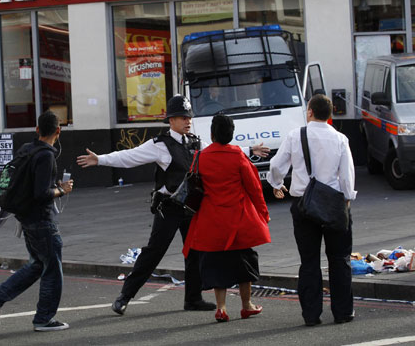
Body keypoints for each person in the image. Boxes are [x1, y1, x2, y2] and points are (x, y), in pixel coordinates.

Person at [76, 95, 269, 316]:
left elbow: (221, 152)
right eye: (181, 117)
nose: (187, 121)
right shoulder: (159, 145)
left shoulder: (196, 142)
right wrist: (100, 159)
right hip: (168, 208)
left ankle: (193, 299)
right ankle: (124, 297)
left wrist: (249, 149)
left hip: (190, 208)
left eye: (188, 117)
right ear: (171, 121)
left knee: (195, 252)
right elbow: (129, 157)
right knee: (153, 252)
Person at [266, 94, 357, 326]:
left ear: (309, 112)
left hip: (304, 205)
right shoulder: (340, 139)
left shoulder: (296, 136)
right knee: (339, 259)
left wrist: (277, 184)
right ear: (331, 115)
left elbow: (277, 165)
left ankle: (311, 315)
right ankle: (343, 312)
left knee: (309, 261)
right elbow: (347, 177)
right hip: (335, 205)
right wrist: (347, 199)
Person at [0, 110, 74, 332]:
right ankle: (44, 318)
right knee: (52, 269)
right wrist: (62, 190)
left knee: (38, 264)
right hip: (41, 221)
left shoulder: (26, 149)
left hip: (26, 219)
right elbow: (41, 193)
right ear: (58, 131)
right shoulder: (46, 155)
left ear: (37, 130)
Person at [183, 114, 271, 323]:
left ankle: (221, 308)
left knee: (215, 264)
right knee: (244, 263)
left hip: (211, 220)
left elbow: (195, 185)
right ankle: (247, 305)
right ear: (231, 134)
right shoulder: (237, 155)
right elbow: (254, 187)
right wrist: (263, 213)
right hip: (238, 219)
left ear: (212, 134)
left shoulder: (200, 157)